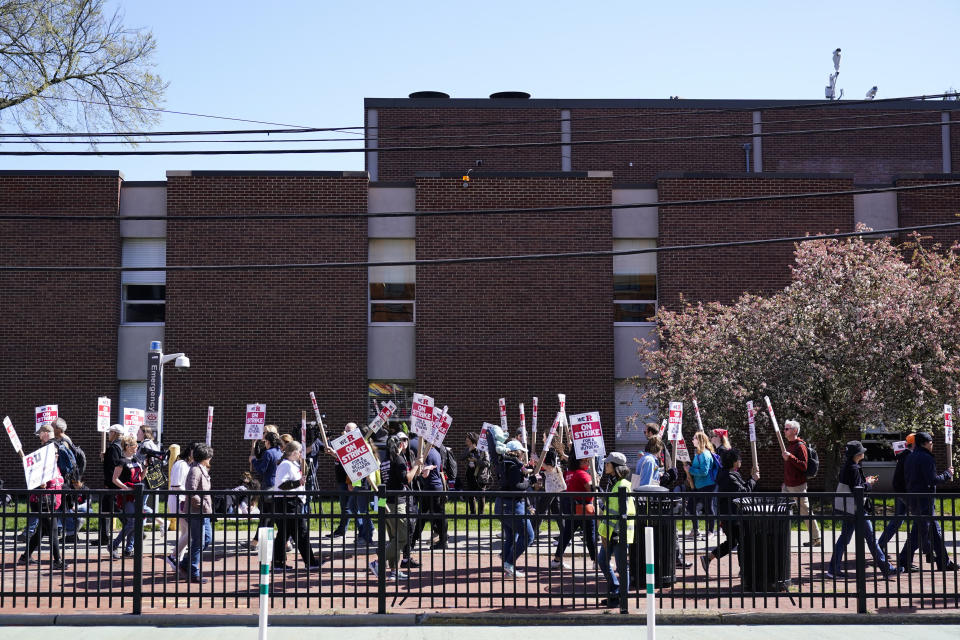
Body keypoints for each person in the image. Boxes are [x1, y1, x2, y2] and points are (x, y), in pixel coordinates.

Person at [827, 441, 894, 578]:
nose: (863, 452)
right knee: (871, 539)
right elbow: (858, 490)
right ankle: (887, 569)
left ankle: (833, 569)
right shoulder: (854, 468)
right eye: (861, 451)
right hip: (856, 509)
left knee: (844, 539)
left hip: (849, 509)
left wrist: (865, 482)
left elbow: (855, 485)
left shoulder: (848, 466)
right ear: (857, 454)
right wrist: (868, 484)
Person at [897, 432, 957, 572]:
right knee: (934, 531)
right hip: (925, 500)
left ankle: (905, 560)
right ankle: (943, 563)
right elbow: (933, 480)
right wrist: (947, 474)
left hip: (913, 498)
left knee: (919, 532)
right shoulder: (926, 458)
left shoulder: (910, 457)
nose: (932, 445)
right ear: (925, 443)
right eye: (931, 442)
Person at [369, 431, 422, 580]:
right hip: (396, 503)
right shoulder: (398, 459)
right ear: (399, 445)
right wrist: (416, 466)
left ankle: (394, 571)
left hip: (385, 502)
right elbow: (406, 479)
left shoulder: (385, 460)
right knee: (402, 537)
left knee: (393, 538)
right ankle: (378, 562)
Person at [701, 447, 759, 573]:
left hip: (731, 514)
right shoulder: (728, 477)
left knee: (733, 541)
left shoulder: (731, 475)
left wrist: (751, 478)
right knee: (742, 540)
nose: (741, 461)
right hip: (731, 515)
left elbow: (743, 487)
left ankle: (708, 558)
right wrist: (753, 480)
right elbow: (743, 492)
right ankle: (744, 569)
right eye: (739, 459)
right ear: (733, 462)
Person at [486, 432, 535, 577]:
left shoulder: (504, 464)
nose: (522, 456)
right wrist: (530, 482)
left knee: (511, 535)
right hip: (513, 506)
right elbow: (517, 486)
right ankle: (509, 563)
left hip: (501, 505)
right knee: (529, 536)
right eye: (521, 453)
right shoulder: (513, 466)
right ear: (517, 452)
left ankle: (508, 564)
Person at [19, 423, 65, 568]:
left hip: (51, 500)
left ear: (45, 433)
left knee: (43, 530)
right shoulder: (43, 460)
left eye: (40, 433)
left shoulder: (53, 461)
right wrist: (41, 483)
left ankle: (25, 556)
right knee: (52, 529)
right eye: (55, 453)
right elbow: (35, 478)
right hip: (42, 499)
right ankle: (58, 561)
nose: (57, 454)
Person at [272, 441, 321, 571]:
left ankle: (278, 562)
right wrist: (298, 482)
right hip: (288, 503)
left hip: (292, 502)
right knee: (300, 532)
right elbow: (282, 485)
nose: (301, 454)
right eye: (299, 452)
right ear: (294, 453)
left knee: (285, 533)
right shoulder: (286, 465)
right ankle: (310, 562)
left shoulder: (292, 464)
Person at [597, 452, 635, 607]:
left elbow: (622, 513)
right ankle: (615, 592)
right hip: (610, 532)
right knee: (602, 561)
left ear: (614, 466)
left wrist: (611, 535)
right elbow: (610, 509)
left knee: (621, 566)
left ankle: (622, 599)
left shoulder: (622, 485)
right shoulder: (613, 483)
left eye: (607, 463)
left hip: (619, 534)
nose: (605, 465)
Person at [552, 455, 598, 570]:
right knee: (590, 536)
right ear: (579, 462)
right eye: (585, 461)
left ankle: (556, 560)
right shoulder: (582, 474)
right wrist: (596, 480)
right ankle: (596, 561)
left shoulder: (569, 473)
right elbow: (592, 490)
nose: (588, 462)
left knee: (566, 535)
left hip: (572, 509)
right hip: (584, 509)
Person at [781, 419, 821, 546]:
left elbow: (804, 466)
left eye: (787, 429)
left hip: (797, 485)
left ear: (795, 431)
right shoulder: (790, 445)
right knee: (781, 508)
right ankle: (781, 535)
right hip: (788, 484)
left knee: (805, 511)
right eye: (784, 428)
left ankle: (816, 538)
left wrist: (790, 457)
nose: (784, 431)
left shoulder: (800, 446)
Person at [877, 434, 919, 553]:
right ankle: (929, 551)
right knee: (922, 521)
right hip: (907, 492)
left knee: (898, 520)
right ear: (915, 443)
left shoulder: (904, 455)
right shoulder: (911, 456)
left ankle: (880, 544)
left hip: (901, 491)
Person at [181, 443, 213, 583]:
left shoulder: (201, 469)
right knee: (198, 541)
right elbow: (191, 490)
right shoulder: (195, 470)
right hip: (196, 512)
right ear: (205, 457)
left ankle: (184, 563)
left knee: (206, 539)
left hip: (203, 511)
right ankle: (194, 572)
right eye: (209, 456)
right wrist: (201, 505)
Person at [410, 434, 448, 550]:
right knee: (431, 515)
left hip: (430, 488)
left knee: (431, 516)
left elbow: (425, 475)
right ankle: (414, 540)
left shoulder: (427, 454)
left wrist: (419, 471)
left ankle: (414, 541)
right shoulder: (435, 452)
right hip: (436, 487)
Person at [246, 431, 282, 551]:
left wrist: (253, 460)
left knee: (266, 515)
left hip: (267, 487)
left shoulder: (268, 453)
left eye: (265, 441)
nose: (264, 443)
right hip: (277, 486)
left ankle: (257, 543)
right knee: (271, 516)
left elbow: (261, 469)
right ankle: (257, 542)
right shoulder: (279, 452)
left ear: (268, 442)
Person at [110, 435, 143, 560]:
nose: (137, 447)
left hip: (137, 494)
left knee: (137, 521)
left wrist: (147, 466)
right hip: (127, 496)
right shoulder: (122, 461)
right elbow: (114, 479)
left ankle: (129, 548)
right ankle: (113, 545)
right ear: (128, 447)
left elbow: (141, 477)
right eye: (135, 445)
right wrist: (125, 488)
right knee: (132, 522)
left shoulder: (136, 460)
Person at [95, 424, 125, 545]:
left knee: (115, 509)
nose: (108, 434)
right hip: (117, 483)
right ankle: (103, 537)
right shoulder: (122, 446)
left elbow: (111, 467)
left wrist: (109, 483)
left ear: (115, 433)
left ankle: (134, 528)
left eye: (110, 432)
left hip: (112, 485)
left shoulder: (113, 447)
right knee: (105, 510)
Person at [165, 444, 193, 571]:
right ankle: (173, 557)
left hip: (180, 500)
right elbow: (177, 485)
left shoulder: (184, 464)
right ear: (191, 452)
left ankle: (177, 561)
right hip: (179, 500)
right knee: (191, 532)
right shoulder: (181, 464)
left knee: (185, 533)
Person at [686, 431, 718, 538]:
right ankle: (696, 530)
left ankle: (711, 531)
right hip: (699, 486)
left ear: (699, 440)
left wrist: (690, 469)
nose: (692, 440)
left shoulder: (705, 454)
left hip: (708, 485)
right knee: (691, 506)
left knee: (709, 508)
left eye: (694, 438)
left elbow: (704, 472)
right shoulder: (699, 454)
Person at [461, 432, 490, 515]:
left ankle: (481, 514)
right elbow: (461, 458)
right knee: (470, 495)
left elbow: (487, 463)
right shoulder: (468, 449)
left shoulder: (482, 450)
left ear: (473, 441)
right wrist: (468, 451)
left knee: (480, 495)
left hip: (480, 476)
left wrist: (476, 460)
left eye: (468, 441)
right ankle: (473, 513)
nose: (466, 443)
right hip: (470, 475)